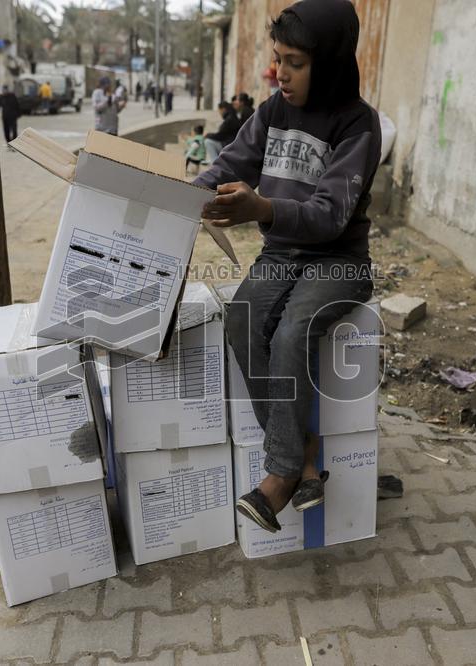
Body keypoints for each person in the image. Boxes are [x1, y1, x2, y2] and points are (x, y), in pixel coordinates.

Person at [193, 0, 382, 532]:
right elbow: (231, 161)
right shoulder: (274, 110)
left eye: (294, 62)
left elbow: (329, 216)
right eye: (278, 59)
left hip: (339, 261)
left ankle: (277, 478)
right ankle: (302, 456)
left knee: (292, 330)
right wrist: (187, 192)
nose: (280, 74)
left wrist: (263, 208)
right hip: (281, 255)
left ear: (331, 61)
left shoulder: (357, 124)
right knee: (243, 321)